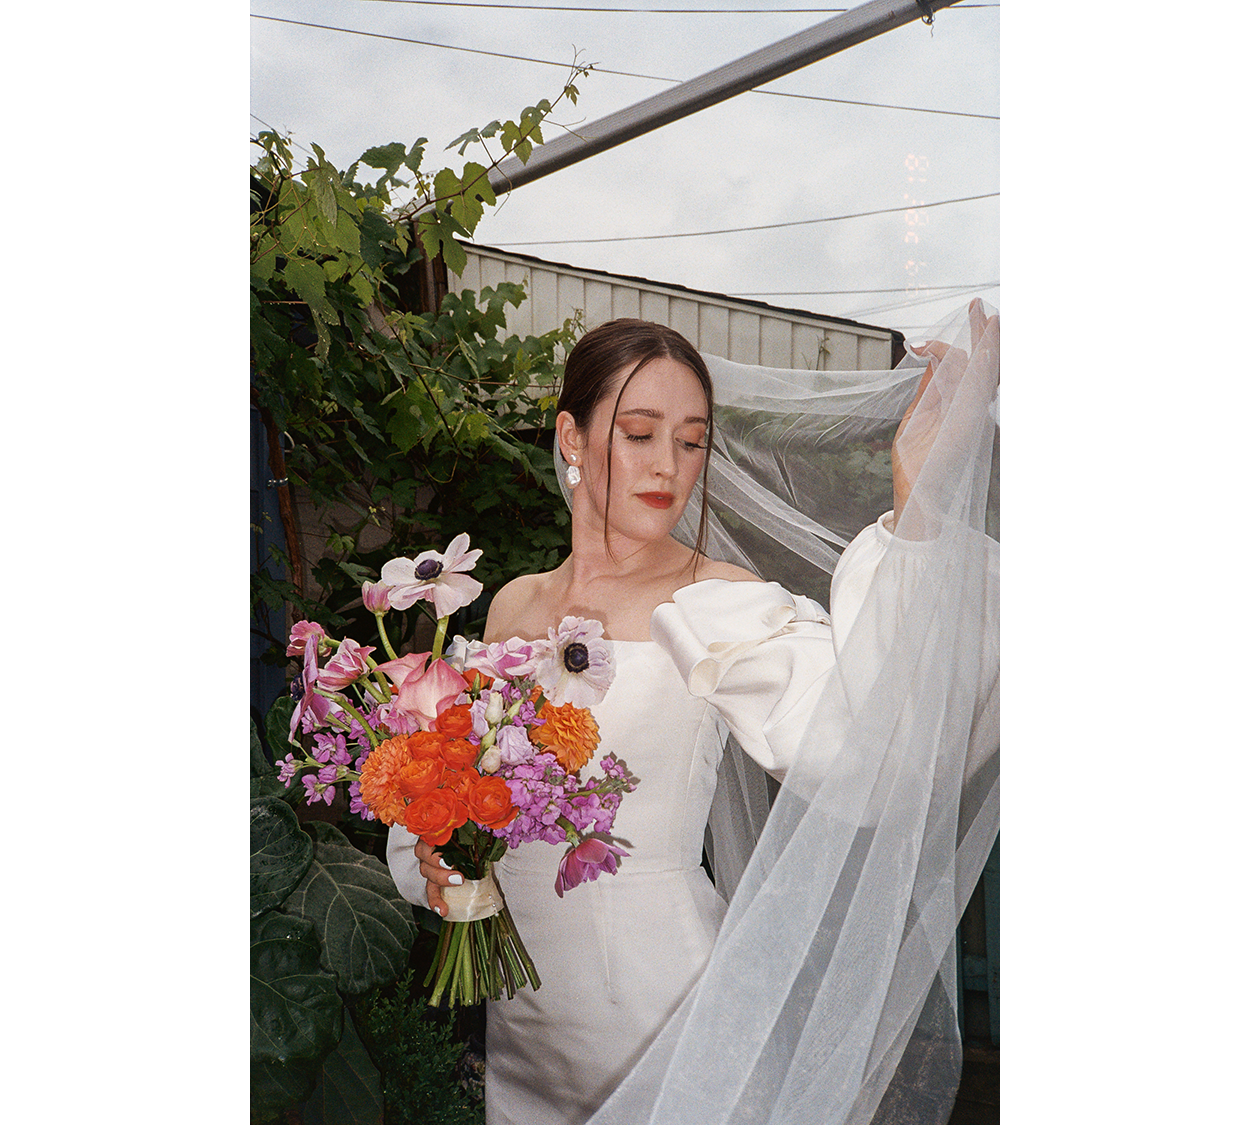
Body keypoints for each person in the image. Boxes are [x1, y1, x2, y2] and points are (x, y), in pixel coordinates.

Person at [387, 307, 1001, 1125]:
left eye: (689, 440)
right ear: (571, 437)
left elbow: (868, 748)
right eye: (639, 433)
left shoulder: (712, 604)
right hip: (527, 1032)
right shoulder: (509, 604)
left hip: (669, 1020)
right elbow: (441, 794)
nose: (667, 466)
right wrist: (438, 862)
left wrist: (915, 494)